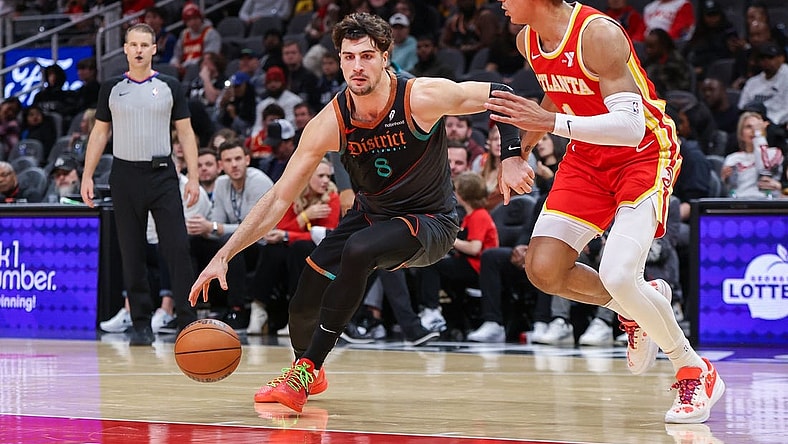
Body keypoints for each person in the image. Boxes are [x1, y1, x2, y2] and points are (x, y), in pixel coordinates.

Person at [188, 12, 526, 413]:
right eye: (348, 57)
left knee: (360, 251)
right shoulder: (331, 121)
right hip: (372, 214)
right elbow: (279, 199)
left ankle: (305, 370)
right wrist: (223, 255)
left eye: (367, 56)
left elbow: (502, 92)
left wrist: (511, 156)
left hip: (431, 221)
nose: (357, 66)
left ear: (386, 56)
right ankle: (307, 367)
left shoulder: (419, 97)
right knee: (303, 300)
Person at [487, 0, 724, 424]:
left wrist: (551, 123)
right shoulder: (527, 38)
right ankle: (637, 307)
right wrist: (516, 152)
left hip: (642, 154)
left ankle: (693, 367)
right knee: (544, 269)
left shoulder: (598, 33)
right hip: (586, 159)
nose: (501, 2)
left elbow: (630, 126)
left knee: (617, 273)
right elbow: (555, 94)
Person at [80, 23, 202, 346]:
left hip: (162, 175)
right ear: (124, 48)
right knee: (131, 252)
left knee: (176, 248)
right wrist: (87, 175)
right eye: (132, 44)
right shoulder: (111, 87)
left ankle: (187, 319)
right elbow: (99, 133)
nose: (138, 50)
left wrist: (195, 175)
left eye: (144, 45)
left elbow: (186, 132)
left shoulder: (170, 86)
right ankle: (140, 323)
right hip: (124, 175)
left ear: (153, 49)